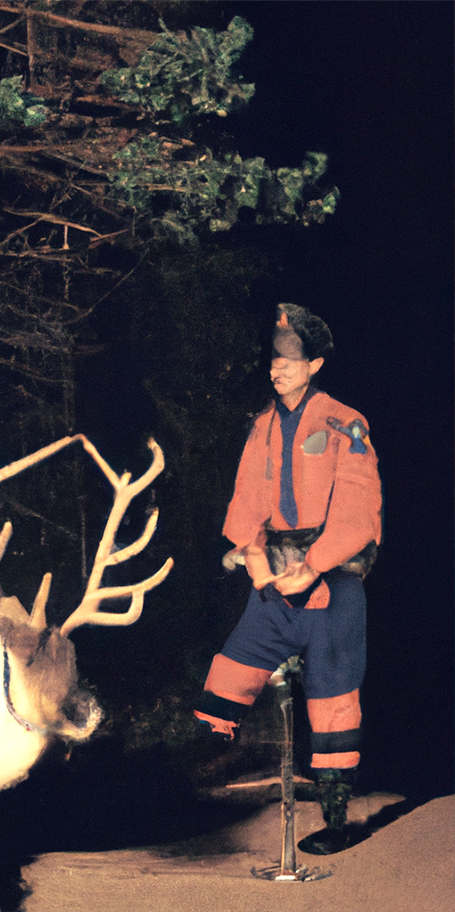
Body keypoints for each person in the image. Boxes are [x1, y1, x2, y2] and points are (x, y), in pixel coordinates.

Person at [194, 303, 382, 855]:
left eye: (290, 360)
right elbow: (247, 497)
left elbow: (358, 507)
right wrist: (248, 551)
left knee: (332, 700)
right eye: (274, 359)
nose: (277, 368)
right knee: (229, 674)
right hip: (275, 577)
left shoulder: (345, 423)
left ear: (315, 364)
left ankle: (337, 819)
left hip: (331, 582)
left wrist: (317, 563)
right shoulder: (263, 426)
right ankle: (197, 778)